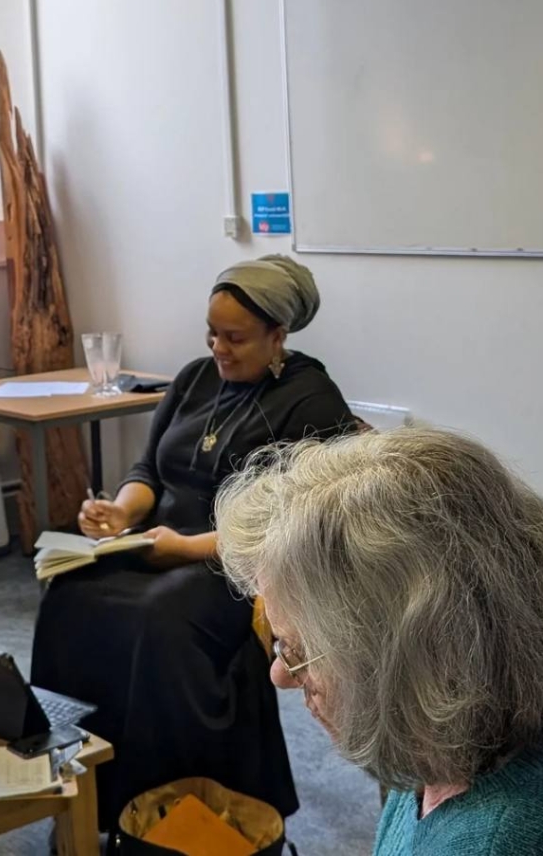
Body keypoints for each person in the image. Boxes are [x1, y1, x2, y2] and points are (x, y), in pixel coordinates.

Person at [30, 254, 355, 829]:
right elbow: (148, 469)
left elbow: (289, 518)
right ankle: (84, 795)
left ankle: (160, 805)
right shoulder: (194, 378)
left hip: (236, 564)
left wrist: (184, 548)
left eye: (235, 337)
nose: (218, 349)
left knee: (159, 618)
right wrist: (117, 511)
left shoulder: (312, 400)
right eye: (211, 333)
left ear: (278, 335)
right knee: (69, 590)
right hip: (153, 542)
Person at [216, 428, 543, 856]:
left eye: (299, 651)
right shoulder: (441, 733)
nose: (280, 675)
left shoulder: (493, 843)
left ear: (407, 658)